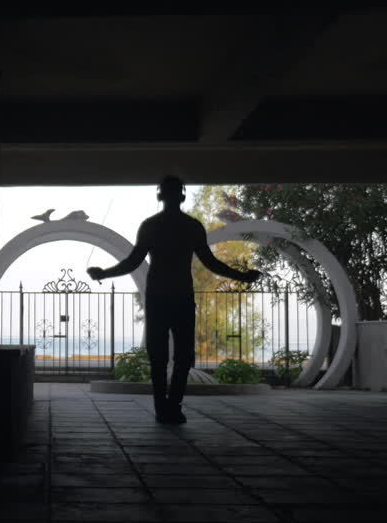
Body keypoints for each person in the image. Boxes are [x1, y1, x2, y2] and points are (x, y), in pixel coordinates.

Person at [87, 175, 262, 424]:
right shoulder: (192, 226)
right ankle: (173, 407)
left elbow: (132, 261)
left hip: (158, 297)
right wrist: (241, 276)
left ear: (160, 195)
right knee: (182, 357)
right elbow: (211, 263)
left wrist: (105, 272)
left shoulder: (151, 226)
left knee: (159, 358)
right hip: (181, 297)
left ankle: (163, 409)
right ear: (182, 195)